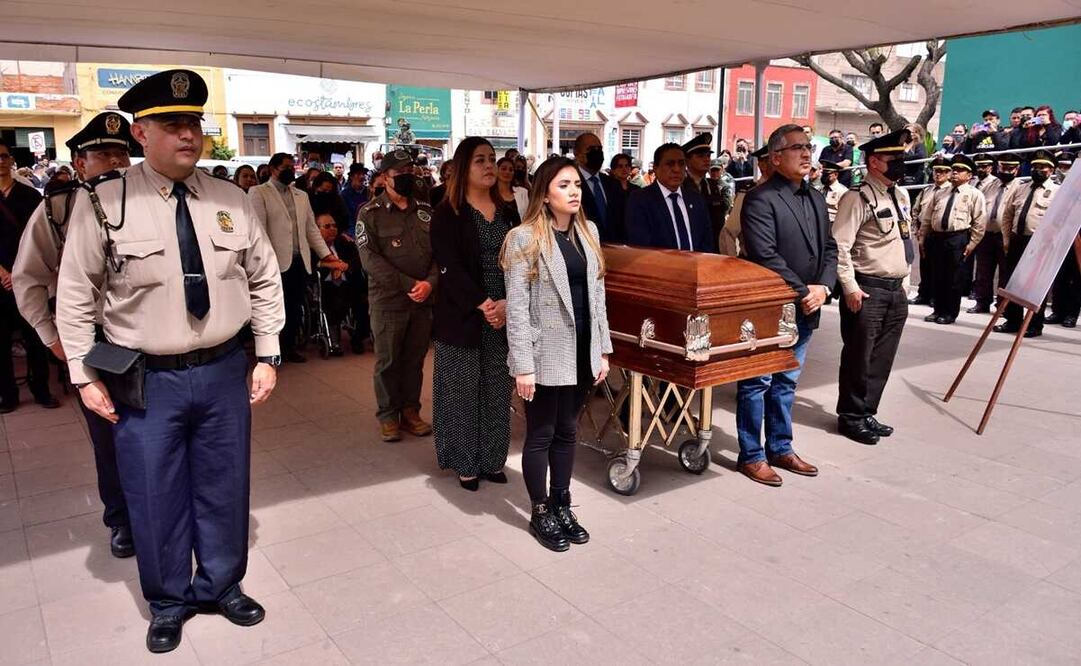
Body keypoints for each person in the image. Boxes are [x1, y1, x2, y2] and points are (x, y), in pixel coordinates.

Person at [55, 69, 285, 654]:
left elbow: (263, 279)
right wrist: (83, 376)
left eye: (194, 123)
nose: (188, 135)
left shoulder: (231, 199)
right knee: (154, 491)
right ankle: (169, 599)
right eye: (172, 124)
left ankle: (221, 583)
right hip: (144, 376)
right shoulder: (104, 204)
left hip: (223, 370)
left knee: (225, 482)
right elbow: (76, 297)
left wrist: (267, 353)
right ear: (141, 133)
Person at [12, 112, 136, 557]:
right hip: (96, 342)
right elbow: (27, 279)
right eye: (101, 153)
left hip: (148, 340)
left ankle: (159, 514)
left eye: (121, 152)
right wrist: (52, 340)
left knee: (156, 433)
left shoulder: (146, 201)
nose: (114, 161)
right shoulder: (59, 210)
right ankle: (120, 519)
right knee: (109, 435)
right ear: (80, 164)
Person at [502, 156, 612, 552]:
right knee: (542, 433)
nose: (574, 192)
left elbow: (597, 296)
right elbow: (516, 307)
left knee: (568, 431)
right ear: (544, 194)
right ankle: (540, 509)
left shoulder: (590, 232)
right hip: (544, 350)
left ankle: (563, 502)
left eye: (577, 185)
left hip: (582, 348)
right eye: (564, 185)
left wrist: (602, 349)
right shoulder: (524, 238)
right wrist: (523, 366)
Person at [736, 124, 837, 486]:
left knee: (787, 382)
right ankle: (751, 455)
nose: (807, 153)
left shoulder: (814, 196)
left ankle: (781, 446)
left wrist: (824, 287)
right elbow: (765, 255)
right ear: (776, 157)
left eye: (809, 146)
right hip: (771, 307)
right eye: (798, 148)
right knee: (758, 382)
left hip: (808, 306)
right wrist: (804, 290)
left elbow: (831, 248)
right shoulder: (761, 198)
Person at [430, 137, 515, 490]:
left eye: (492, 159)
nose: (489, 166)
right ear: (464, 168)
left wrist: (508, 305)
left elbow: (520, 261)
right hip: (463, 313)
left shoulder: (509, 213)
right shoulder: (447, 213)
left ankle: (492, 459)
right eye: (480, 160)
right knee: (463, 390)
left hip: (504, 313)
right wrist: (484, 304)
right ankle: (465, 461)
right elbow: (450, 267)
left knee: (497, 388)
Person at [832, 129, 914, 446]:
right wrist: (850, 287)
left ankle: (867, 411)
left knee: (882, 358)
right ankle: (850, 416)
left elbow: (904, 239)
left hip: (895, 289)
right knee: (858, 356)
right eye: (895, 159)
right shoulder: (857, 197)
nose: (901, 163)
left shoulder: (901, 195)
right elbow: (840, 246)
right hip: (867, 289)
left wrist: (905, 281)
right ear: (874, 162)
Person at [356, 149, 438, 442]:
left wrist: (429, 282)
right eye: (398, 174)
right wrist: (409, 284)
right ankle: (388, 415)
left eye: (409, 172)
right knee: (389, 361)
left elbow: (439, 254)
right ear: (384, 177)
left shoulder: (426, 211)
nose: (405, 177)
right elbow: (370, 261)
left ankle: (410, 411)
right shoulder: (370, 213)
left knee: (414, 360)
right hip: (389, 301)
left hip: (422, 300)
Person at [249, 152, 346, 362]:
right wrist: (265, 262)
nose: (291, 171)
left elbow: (311, 229)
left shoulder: (301, 195)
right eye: (286, 167)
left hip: (298, 259)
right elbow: (259, 231)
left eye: (292, 167)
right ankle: (269, 352)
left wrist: (328, 256)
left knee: (294, 307)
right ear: (273, 169)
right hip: (272, 262)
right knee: (273, 308)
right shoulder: (258, 193)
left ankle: (289, 347)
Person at [0, 139, 58, 414]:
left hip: (30, 278)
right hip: (0, 281)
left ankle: (42, 390)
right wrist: (4, 273)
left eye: (3, 156)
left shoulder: (30, 197)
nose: (0, 162)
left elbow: (41, 241)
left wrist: (19, 274)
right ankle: (8, 395)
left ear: (11, 160)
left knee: (35, 337)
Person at [995, 150, 1060, 338]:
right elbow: (1008, 215)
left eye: (1042, 167)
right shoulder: (1021, 188)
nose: (1037, 170)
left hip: (1040, 243)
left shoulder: (1057, 191)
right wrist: (1007, 239)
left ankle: (1034, 324)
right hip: (1017, 240)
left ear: (1051, 170)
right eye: (1035, 167)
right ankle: (1013, 321)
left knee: (1035, 285)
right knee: (1014, 282)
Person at [917, 153, 987, 325]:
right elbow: (927, 217)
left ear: (969, 176)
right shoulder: (940, 193)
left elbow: (980, 222)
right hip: (937, 237)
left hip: (958, 238)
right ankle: (937, 309)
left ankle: (950, 312)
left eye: (960, 170)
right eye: (954, 170)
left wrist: (972, 244)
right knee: (937, 276)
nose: (955, 173)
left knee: (953, 278)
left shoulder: (974, 194)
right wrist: (922, 238)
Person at [624, 143, 714, 251]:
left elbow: (707, 241)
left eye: (681, 164)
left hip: (697, 266)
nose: (676, 169)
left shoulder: (696, 199)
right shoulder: (640, 200)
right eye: (670, 164)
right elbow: (641, 245)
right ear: (656, 168)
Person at [313, 205, 369, 354]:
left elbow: (357, 259)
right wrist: (332, 265)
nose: (333, 229)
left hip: (349, 284)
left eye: (334, 225)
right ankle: (334, 341)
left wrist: (343, 266)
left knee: (365, 303)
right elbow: (311, 264)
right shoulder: (312, 247)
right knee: (337, 301)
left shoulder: (343, 242)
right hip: (324, 287)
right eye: (327, 226)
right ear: (316, 229)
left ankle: (358, 338)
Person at [969, 153, 1017, 313]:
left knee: (1005, 273)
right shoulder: (990, 185)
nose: (1006, 171)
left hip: (1006, 236)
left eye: (1010, 168)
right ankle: (982, 302)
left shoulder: (1020, 187)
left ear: (1016, 169)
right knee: (983, 271)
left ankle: (1002, 306)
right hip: (987, 234)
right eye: (1003, 167)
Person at [909, 156, 951, 306]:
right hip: (924, 232)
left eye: (942, 171)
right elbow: (916, 210)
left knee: (939, 267)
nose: (938, 174)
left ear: (949, 173)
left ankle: (935, 295)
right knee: (925, 265)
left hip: (940, 233)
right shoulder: (926, 190)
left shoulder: (950, 191)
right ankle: (923, 294)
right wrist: (916, 228)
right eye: (935, 171)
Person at [681, 132, 730, 252]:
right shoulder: (680, 186)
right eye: (701, 156)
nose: (706, 159)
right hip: (688, 250)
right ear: (687, 160)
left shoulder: (713, 186)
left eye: (708, 156)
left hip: (712, 249)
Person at [573, 132, 624, 242]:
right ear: (577, 154)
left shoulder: (613, 184)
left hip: (615, 250)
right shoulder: (571, 184)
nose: (596, 152)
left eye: (599, 148)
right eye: (591, 149)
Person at [722, 146, 771, 257]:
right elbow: (728, 233)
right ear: (761, 164)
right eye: (772, 160)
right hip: (754, 263)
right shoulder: (749, 194)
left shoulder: (788, 192)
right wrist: (732, 264)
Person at [495, 155, 529, 220]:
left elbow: (527, 216)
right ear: (496, 170)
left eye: (511, 170)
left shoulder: (523, 192)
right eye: (503, 169)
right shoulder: (488, 193)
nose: (507, 172)